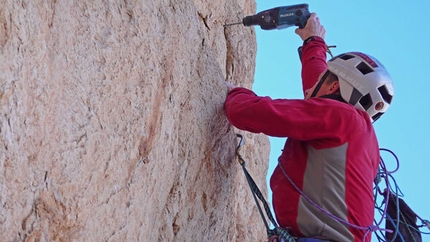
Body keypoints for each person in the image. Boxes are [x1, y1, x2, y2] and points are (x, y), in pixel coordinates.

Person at [224, 13, 394, 242]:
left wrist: (236, 93)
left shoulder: (342, 118)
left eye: (325, 77)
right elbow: (317, 92)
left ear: (334, 85)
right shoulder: (359, 136)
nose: (313, 85)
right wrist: (313, 40)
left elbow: (250, 113)